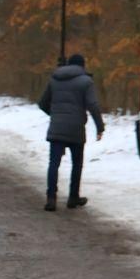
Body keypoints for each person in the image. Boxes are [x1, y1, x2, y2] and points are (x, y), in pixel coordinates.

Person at [37, 53, 105, 211]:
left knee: (54, 163)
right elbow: (93, 105)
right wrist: (100, 127)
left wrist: (55, 115)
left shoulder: (54, 79)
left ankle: (51, 198)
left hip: (56, 127)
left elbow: (42, 103)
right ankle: (73, 197)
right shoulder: (86, 81)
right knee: (77, 164)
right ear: (82, 65)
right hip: (76, 128)